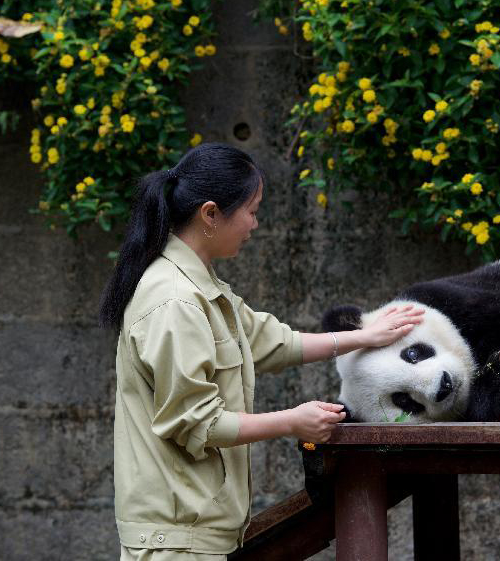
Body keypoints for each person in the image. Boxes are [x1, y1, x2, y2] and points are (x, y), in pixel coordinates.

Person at [98, 142, 423, 560]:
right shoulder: (174, 301)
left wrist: (364, 336)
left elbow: (274, 342)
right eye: (251, 210)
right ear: (211, 214)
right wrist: (294, 421)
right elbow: (198, 423)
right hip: (178, 546)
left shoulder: (200, 286)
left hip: (199, 539)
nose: (254, 224)